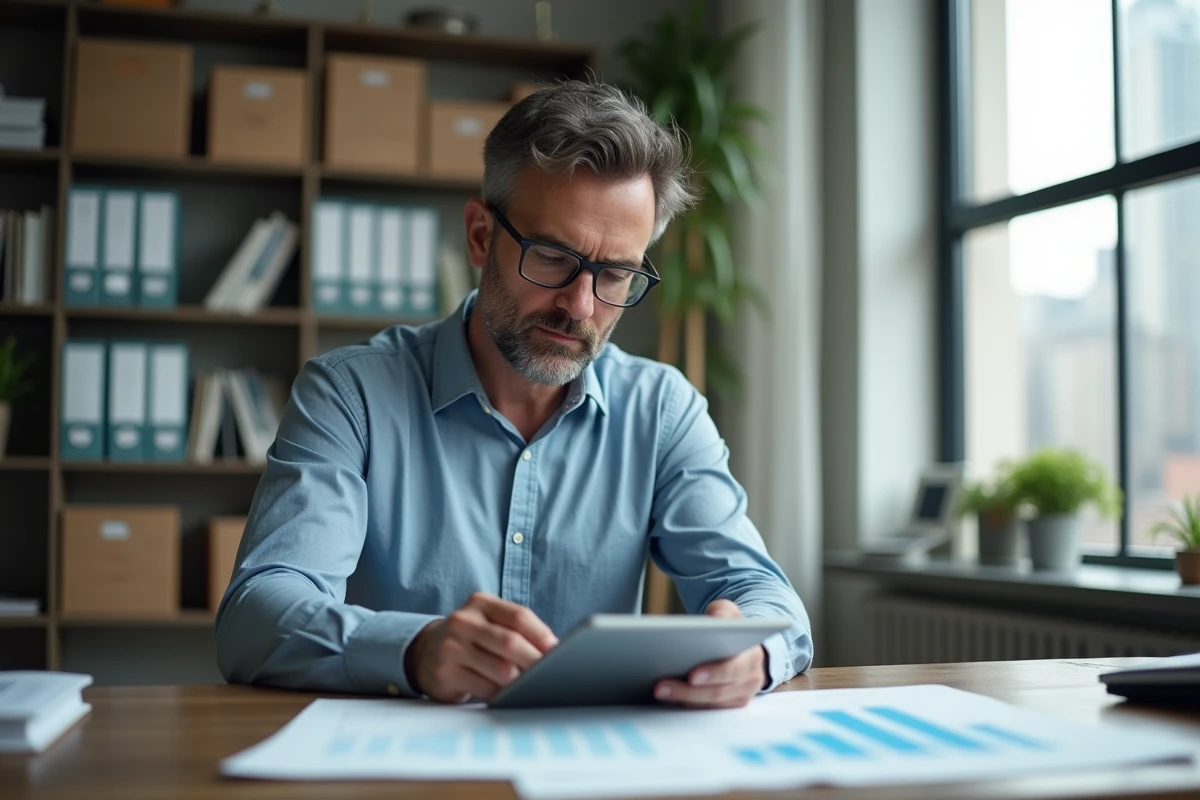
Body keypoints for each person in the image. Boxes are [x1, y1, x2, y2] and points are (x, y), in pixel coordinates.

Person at [216, 80, 813, 708]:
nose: (580, 306)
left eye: (615, 274)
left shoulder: (662, 411)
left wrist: (751, 651)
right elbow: (258, 615)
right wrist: (413, 649)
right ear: (480, 236)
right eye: (553, 257)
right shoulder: (351, 395)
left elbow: (764, 596)